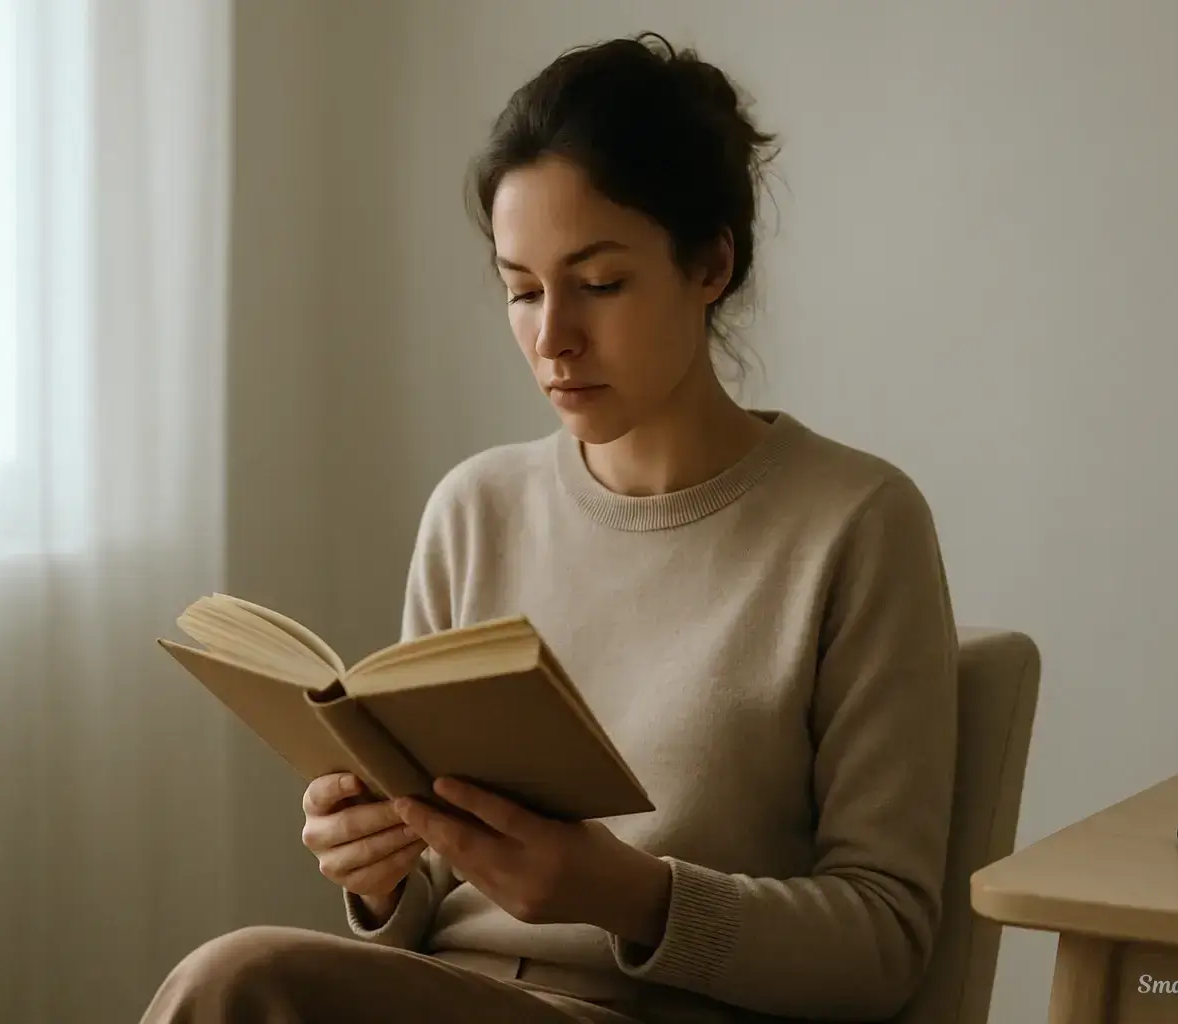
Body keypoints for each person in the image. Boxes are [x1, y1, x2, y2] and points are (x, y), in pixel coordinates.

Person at [141, 30, 957, 1024]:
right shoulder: (476, 509)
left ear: (710, 265)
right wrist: (380, 878)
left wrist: (624, 892)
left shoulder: (856, 525)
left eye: (600, 283)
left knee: (237, 981)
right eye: (521, 289)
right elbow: (436, 895)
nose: (552, 336)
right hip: (457, 994)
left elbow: (885, 945)